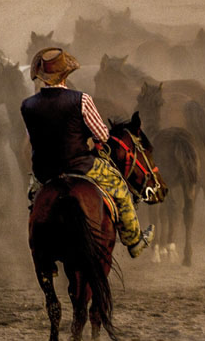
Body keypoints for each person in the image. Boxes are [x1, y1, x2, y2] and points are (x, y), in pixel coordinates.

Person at [21, 47, 153, 258]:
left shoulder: (27, 105)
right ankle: (133, 240)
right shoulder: (81, 99)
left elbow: (33, 137)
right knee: (119, 187)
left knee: (33, 199)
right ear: (65, 74)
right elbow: (102, 135)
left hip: (44, 171)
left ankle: (39, 249)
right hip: (80, 166)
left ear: (43, 77)